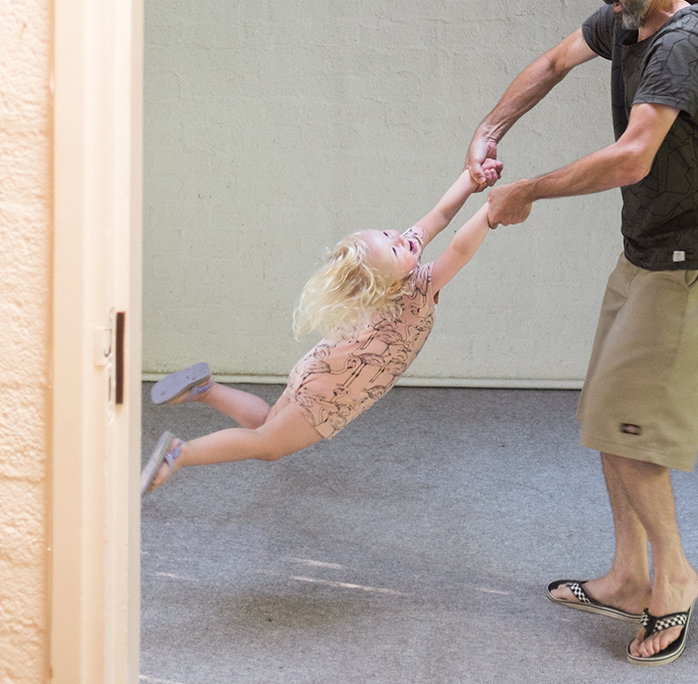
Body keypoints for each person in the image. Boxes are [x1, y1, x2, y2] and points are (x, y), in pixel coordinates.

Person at [466, 0, 698, 667]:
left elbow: (632, 157)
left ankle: (676, 579)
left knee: (630, 430)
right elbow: (555, 62)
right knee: (606, 417)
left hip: (691, 261)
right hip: (647, 250)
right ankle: (630, 577)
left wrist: (527, 190)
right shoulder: (625, 22)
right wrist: (491, 131)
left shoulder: (686, 46)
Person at [141, 161, 502, 496]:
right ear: (384, 283)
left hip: (320, 368)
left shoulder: (394, 266)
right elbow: (459, 248)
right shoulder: (419, 284)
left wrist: (470, 180)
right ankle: (180, 453)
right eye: (392, 245)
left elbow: (439, 215)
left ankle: (206, 390)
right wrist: (490, 210)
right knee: (268, 445)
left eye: (390, 234)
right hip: (334, 394)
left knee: (267, 423)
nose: (401, 238)